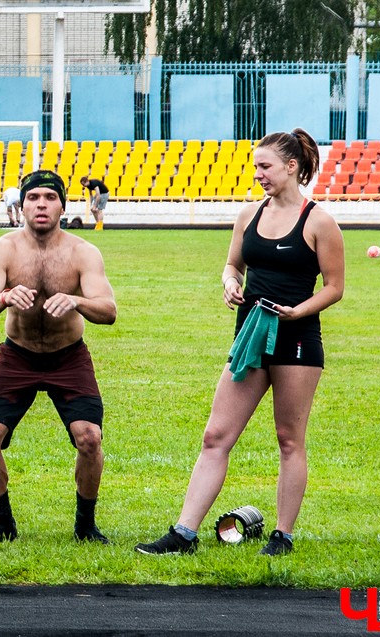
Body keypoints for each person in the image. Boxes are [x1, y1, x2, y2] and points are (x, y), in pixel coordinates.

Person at [135, 129, 343, 557]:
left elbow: (335, 287)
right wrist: (230, 282)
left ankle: (282, 536)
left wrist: (299, 311)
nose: (258, 175)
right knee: (216, 435)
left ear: (291, 167)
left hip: (297, 340)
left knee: (289, 439)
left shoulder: (318, 220)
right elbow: (232, 264)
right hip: (250, 334)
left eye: (265, 167)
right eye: (256, 167)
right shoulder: (249, 214)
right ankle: (183, 534)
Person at [0, 169, 117, 545]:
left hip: (68, 357)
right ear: (22, 204)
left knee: (90, 439)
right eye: (33, 198)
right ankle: (3, 523)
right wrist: (3, 298)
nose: (41, 205)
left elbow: (109, 310)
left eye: (50, 198)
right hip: (17, 356)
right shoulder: (1, 249)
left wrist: (77, 301)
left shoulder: (84, 252)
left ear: (62, 206)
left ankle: (86, 526)